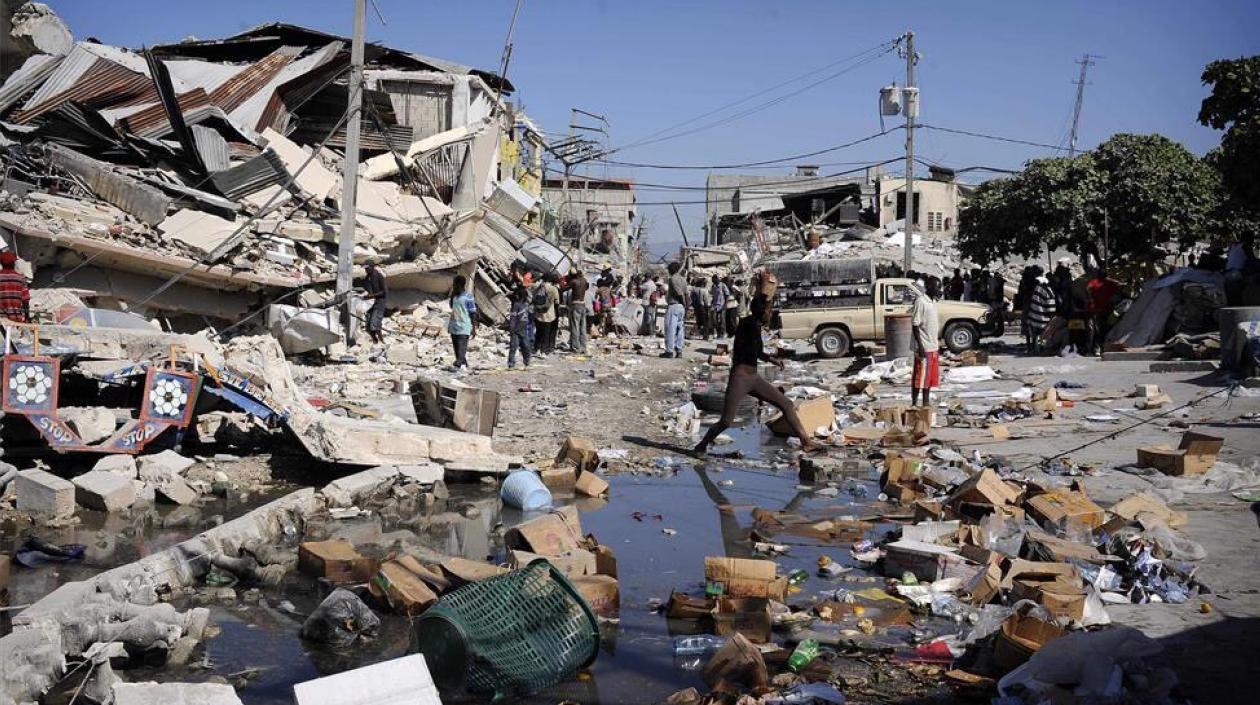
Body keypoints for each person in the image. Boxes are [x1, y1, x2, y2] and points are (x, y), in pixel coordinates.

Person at [694, 294, 822, 455]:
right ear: (761, 312)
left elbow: (758, 352)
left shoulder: (752, 324)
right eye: (768, 311)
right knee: (726, 421)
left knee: (787, 404)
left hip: (753, 377)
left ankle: (806, 442)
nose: (770, 314)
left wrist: (772, 360)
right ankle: (701, 446)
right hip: (741, 378)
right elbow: (753, 350)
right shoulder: (751, 325)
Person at [910, 278, 941, 407]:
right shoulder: (921, 302)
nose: (939, 290)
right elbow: (915, 325)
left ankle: (926, 404)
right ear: (928, 287)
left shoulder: (933, 302)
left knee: (928, 379)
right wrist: (920, 346)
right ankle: (915, 403)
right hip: (924, 347)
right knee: (920, 378)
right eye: (936, 287)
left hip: (933, 346)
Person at [1086, 268, 1119, 355]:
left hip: (1097, 310)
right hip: (1104, 310)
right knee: (1102, 329)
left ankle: (1096, 348)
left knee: (1096, 330)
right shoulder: (1110, 283)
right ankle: (1100, 347)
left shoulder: (1094, 282)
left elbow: (1088, 290)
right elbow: (1117, 289)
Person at [447, 274, 477, 370]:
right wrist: (452, 294)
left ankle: (458, 364)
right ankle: (463, 363)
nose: (454, 286)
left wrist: (474, 328)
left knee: (461, 347)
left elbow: (473, 313)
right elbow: (452, 306)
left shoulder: (468, 296)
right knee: (456, 348)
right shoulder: (455, 296)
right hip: (454, 325)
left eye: (455, 285)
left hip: (464, 326)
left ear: (460, 285)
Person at [1025, 268, 1056, 354]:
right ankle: (1043, 348)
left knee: (1034, 335)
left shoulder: (1038, 288)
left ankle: (1033, 348)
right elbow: (1051, 311)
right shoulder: (1050, 293)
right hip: (1042, 320)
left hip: (1032, 318)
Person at [662, 261, 688, 358]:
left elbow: (679, 293)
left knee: (670, 328)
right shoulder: (683, 279)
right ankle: (679, 350)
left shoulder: (673, 279)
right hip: (681, 307)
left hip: (674, 305)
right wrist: (686, 306)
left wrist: (683, 303)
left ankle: (669, 351)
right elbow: (686, 294)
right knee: (680, 329)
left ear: (672, 269)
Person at [533, 272, 560, 355]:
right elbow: (557, 302)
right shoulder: (553, 289)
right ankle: (543, 351)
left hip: (537, 313)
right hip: (548, 315)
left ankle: (536, 348)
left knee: (538, 332)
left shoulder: (537, 286)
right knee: (546, 333)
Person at [0, 250, 30, 323]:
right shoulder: (20, 278)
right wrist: (27, 318)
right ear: (14, 263)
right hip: (16, 319)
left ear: (1, 263)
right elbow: (25, 300)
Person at [361, 261, 387, 344]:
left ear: (372, 267)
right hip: (370, 303)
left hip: (379, 303)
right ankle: (375, 342)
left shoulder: (379, 276)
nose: (366, 270)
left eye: (367, 268)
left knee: (375, 324)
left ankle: (382, 341)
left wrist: (371, 296)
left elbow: (384, 292)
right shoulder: (367, 277)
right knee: (368, 325)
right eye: (365, 269)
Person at [506, 286, 531, 369]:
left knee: (526, 346)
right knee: (513, 347)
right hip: (516, 331)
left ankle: (527, 361)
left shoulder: (526, 305)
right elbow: (513, 318)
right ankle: (511, 363)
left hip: (524, 330)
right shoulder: (516, 305)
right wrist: (512, 329)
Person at [567, 269, 590, 354]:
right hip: (582, 304)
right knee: (582, 327)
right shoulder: (584, 281)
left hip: (575, 304)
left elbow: (564, 288)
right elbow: (587, 287)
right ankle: (583, 347)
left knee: (575, 327)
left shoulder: (574, 281)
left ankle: (575, 347)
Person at [692, 276, 712, 340]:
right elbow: (706, 300)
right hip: (704, 307)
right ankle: (705, 335)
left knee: (699, 320)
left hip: (697, 307)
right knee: (706, 321)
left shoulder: (694, 289)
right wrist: (708, 306)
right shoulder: (704, 290)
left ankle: (699, 334)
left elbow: (693, 299)